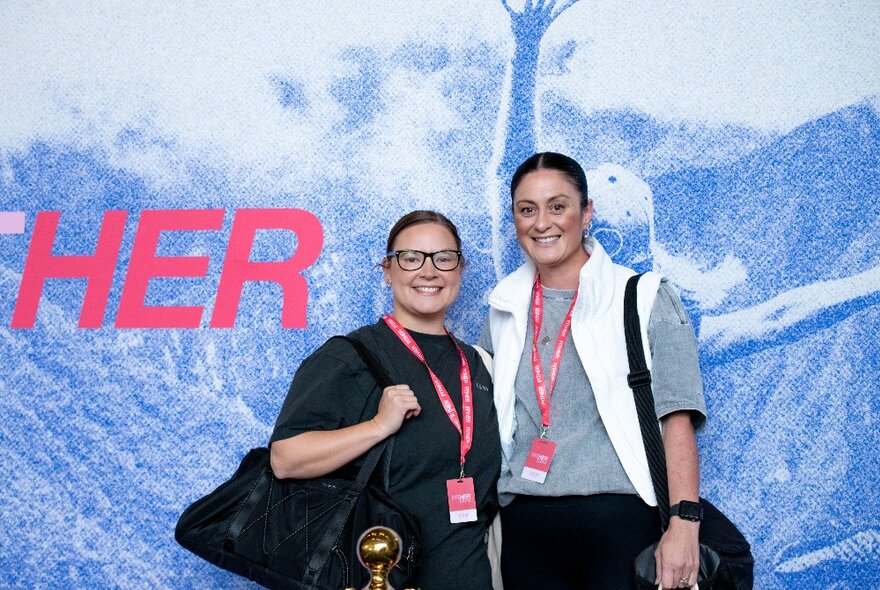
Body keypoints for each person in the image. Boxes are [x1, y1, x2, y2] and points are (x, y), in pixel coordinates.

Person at [479, 153, 706, 589]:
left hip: (621, 522)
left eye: (557, 205)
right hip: (525, 526)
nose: (542, 222)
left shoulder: (644, 297)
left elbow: (677, 417)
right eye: (527, 209)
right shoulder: (504, 308)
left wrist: (684, 523)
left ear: (587, 212)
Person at [270, 210, 501, 589]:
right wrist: (377, 427)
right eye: (411, 258)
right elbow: (284, 460)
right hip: (377, 580)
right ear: (387, 270)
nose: (429, 271)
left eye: (444, 258)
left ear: (460, 269)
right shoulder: (350, 357)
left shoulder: (478, 365)